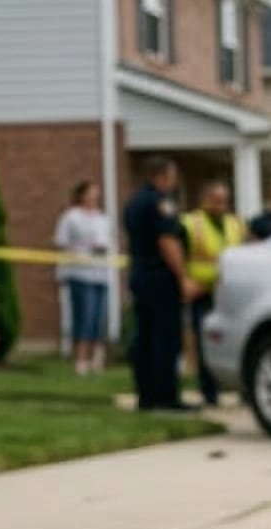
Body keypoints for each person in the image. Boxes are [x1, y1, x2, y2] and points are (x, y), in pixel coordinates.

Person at [122, 158, 188, 411]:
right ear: (161, 176)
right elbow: (167, 242)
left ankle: (146, 395)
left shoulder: (133, 203)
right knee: (165, 338)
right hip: (161, 278)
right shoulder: (161, 203)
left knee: (145, 337)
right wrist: (182, 278)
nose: (173, 183)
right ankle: (166, 396)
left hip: (140, 274)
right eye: (172, 177)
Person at [180, 181, 248, 407]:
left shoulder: (235, 224)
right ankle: (209, 391)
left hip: (229, 292)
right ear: (205, 199)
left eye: (224, 200)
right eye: (216, 200)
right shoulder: (191, 223)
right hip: (201, 292)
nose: (221, 205)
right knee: (205, 341)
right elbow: (181, 256)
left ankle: (241, 389)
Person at [52, 180, 117, 376]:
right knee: (84, 317)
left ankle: (96, 359)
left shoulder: (103, 219)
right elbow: (60, 242)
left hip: (101, 273)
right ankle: (80, 360)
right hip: (79, 273)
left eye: (96, 193)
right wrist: (82, 250)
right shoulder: (71, 217)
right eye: (90, 193)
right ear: (80, 195)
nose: (93, 197)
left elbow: (109, 241)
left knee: (99, 318)